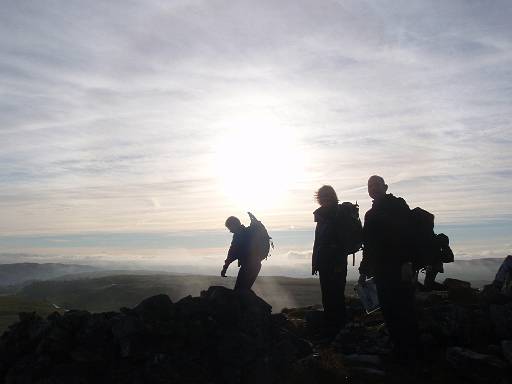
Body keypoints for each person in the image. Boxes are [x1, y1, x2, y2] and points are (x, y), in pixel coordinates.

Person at [358, 175, 418, 360]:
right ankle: (400, 350)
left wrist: (408, 262)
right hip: (381, 269)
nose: (373, 188)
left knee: (403, 308)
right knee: (389, 309)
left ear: (385, 187)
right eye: (370, 186)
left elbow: (409, 236)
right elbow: (368, 245)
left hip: (400, 267)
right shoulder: (370, 214)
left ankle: (411, 352)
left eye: (376, 185)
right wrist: (363, 270)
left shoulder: (397, 206)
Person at [312, 185, 348, 335]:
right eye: (322, 196)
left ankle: (339, 329)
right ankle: (332, 327)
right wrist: (315, 263)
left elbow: (342, 239)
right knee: (327, 295)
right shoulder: (322, 217)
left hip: (337, 261)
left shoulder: (340, 213)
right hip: (325, 261)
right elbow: (318, 242)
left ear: (333, 196)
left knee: (336, 295)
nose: (325, 198)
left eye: (327, 195)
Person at [221, 216, 261, 290]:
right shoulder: (248, 232)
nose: (230, 231)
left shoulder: (239, 235)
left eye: (230, 228)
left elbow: (232, 253)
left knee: (239, 291)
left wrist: (225, 268)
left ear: (234, 225)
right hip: (256, 265)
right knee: (245, 290)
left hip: (248, 266)